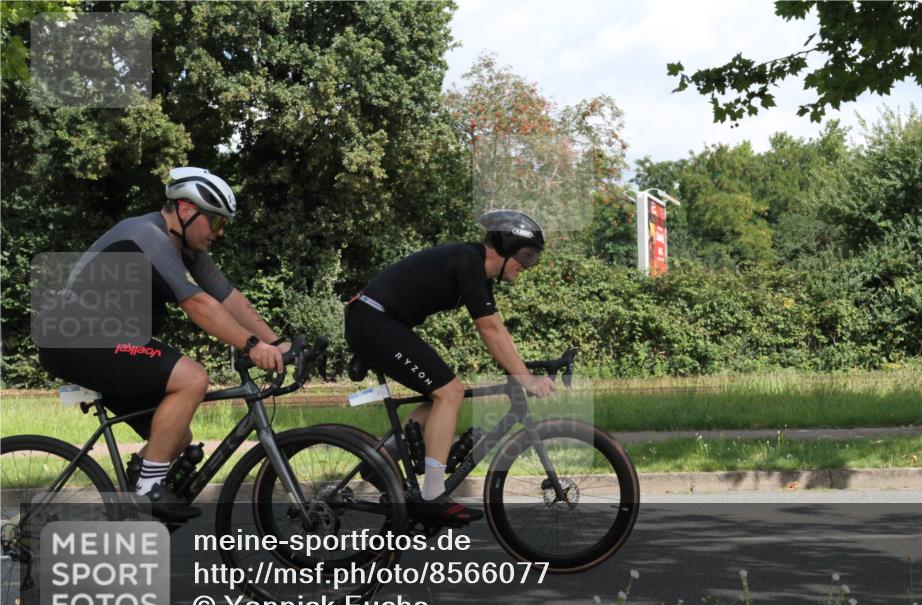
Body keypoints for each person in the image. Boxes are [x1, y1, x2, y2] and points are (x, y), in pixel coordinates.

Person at [36, 167, 287, 521]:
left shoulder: (185, 248)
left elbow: (227, 296)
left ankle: (128, 508)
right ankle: (146, 487)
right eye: (216, 222)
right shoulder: (148, 236)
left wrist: (276, 342)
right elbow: (199, 304)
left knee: (174, 438)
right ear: (186, 210)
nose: (221, 232)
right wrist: (251, 345)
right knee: (192, 378)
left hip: (104, 341)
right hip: (77, 339)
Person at [345, 210, 557, 525]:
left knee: (440, 394)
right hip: (374, 320)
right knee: (450, 392)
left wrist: (523, 369)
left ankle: (383, 458)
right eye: (526, 255)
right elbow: (489, 331)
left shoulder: (479, 274)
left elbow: (497, 329)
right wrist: (525, 379)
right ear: (505, 246)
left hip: (379, 320)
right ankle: (433, 495)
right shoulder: (467, 261)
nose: (527, 265)